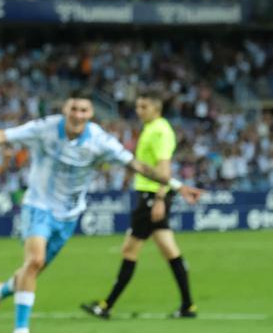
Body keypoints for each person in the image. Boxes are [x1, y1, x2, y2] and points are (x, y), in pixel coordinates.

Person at [0, 94, 202, 333]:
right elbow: (1, 136)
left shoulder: (99, 140)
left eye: (84, 110)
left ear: (91, 114)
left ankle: (1, 291)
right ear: (65, 110)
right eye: (74, 109)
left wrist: (177, 186)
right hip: (38, 206)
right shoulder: (45, 128)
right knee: (34, 261)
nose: (78, 115)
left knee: (33, 270)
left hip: (69, 215)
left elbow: (138, 165)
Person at [81, 88, 197, 319]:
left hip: (151, 196)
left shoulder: (160, 131)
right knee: (169, 250)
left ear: (156, 108)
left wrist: (160, 199)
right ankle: (188, 305)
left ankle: (106, 305)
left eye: (143, 106)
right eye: (138, 106)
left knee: (130, 250)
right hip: (150, 195)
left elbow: (164, 167)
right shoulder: (152, 129)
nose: (138, 110)